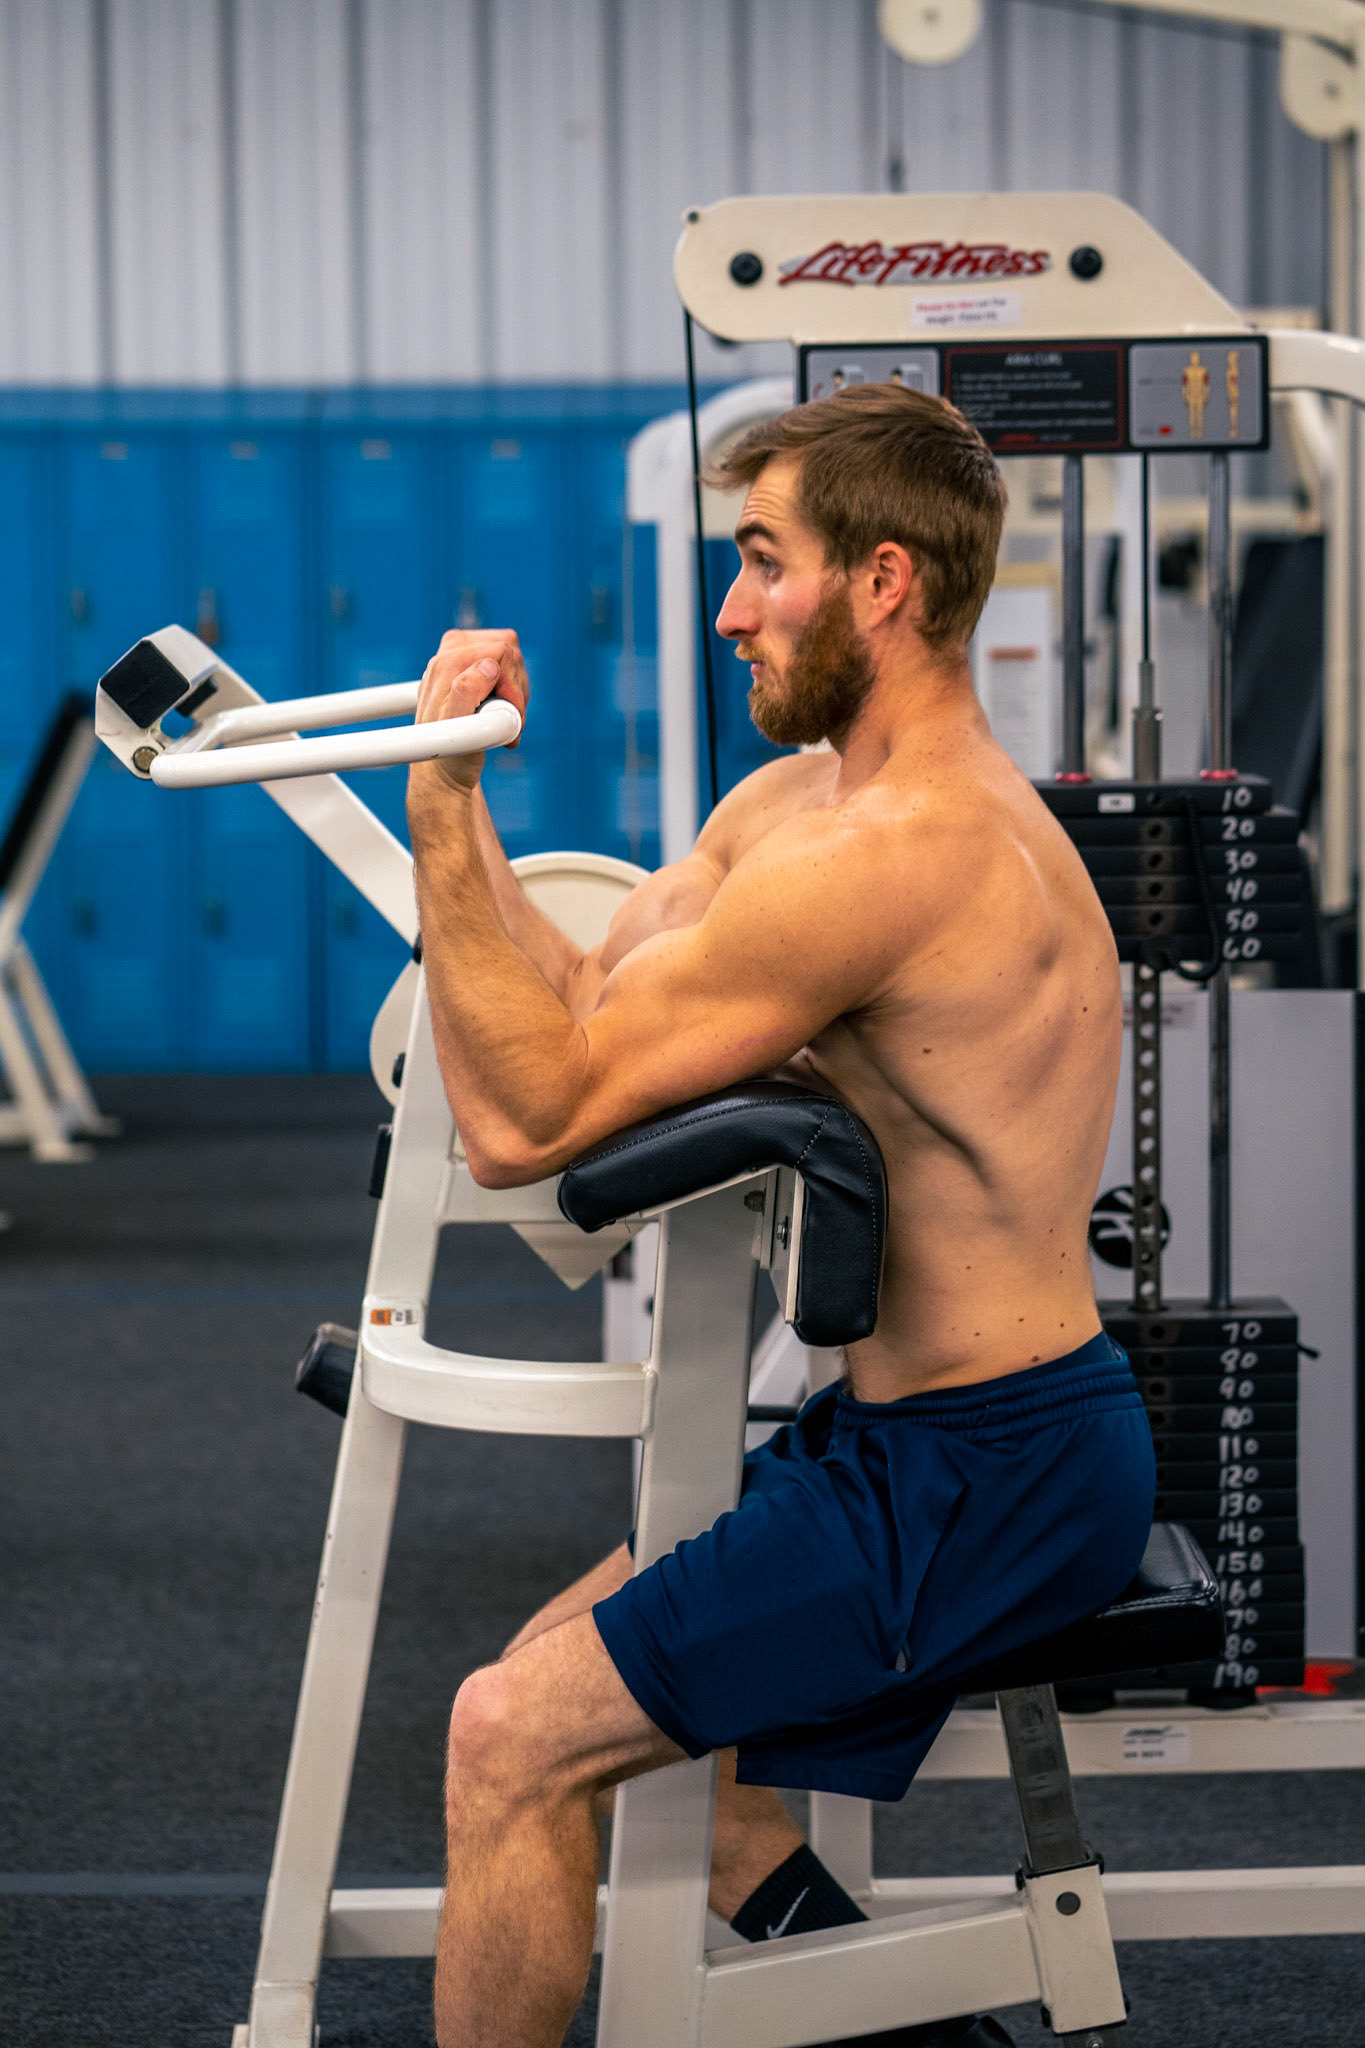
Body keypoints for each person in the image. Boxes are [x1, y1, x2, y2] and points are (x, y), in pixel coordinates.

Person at [405, 384, 1156, 2048]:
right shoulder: (792, 815)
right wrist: (466, 811)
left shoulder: (903, 853)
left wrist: (440, 815)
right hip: (904, 1437)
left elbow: (522, 1122)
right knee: (619, 1717)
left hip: (996, 1466)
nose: (729, 611)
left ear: (882, 582)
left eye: (762, 561)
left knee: (510, 1735)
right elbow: (584, 1010)